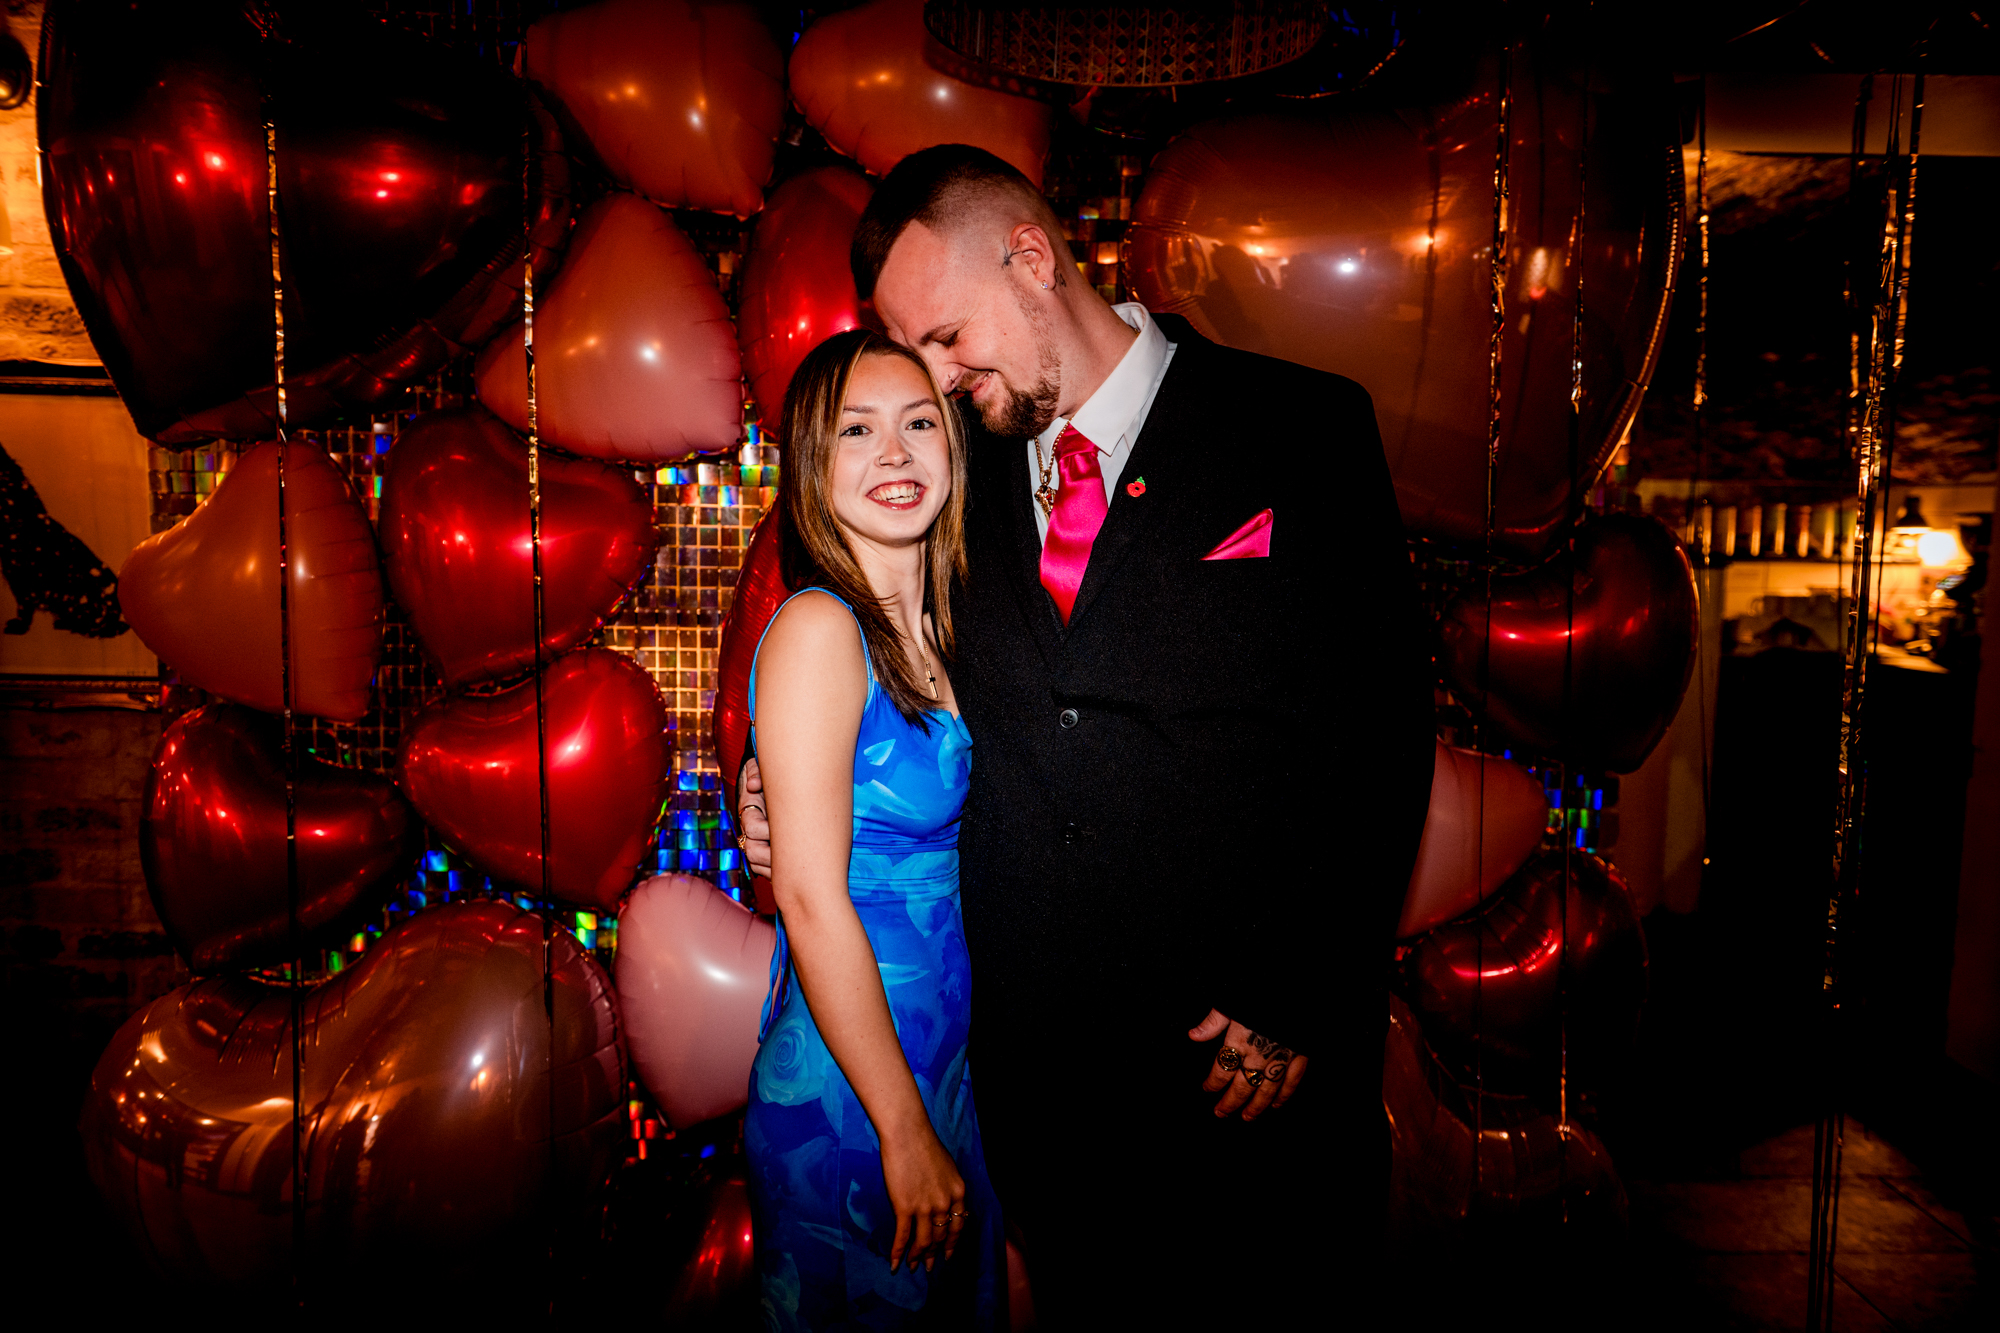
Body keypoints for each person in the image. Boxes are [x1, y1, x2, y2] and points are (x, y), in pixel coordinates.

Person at [741, 145, 1435, 1325]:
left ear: (1029, 255)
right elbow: (875, 681)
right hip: (1030, 1103)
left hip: (1240, 1089)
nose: (940, 381)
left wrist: (1298, 984)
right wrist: (779, 804)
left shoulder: (1298, 428)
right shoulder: (957, 484)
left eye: (949, 339)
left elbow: (1380, 735)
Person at [742, 327, 1003, 1329]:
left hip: (938, 1065)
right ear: (812, 463)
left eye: (917, 424)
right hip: (854, 1091)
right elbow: (808, 897)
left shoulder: (943, 629)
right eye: (856, 431)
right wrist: (900, 1129)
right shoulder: (820, 628)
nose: (893, 453)